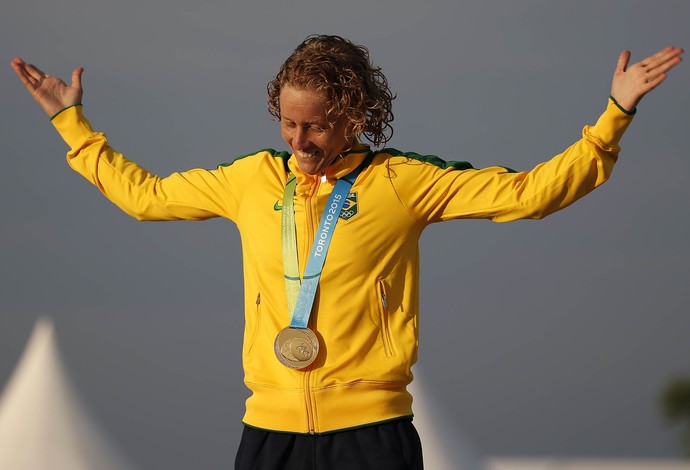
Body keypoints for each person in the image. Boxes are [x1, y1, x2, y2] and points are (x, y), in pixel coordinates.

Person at [11, 35, 683, 469]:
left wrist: (610, 120)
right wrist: (71, 123)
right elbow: (146, 196)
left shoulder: (402, 182)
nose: (299, 141)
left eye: (317, 126)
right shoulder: (250, 180)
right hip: (268, 433)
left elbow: (531, 193)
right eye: (288, 123)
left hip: (373, 434)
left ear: (355, 114)